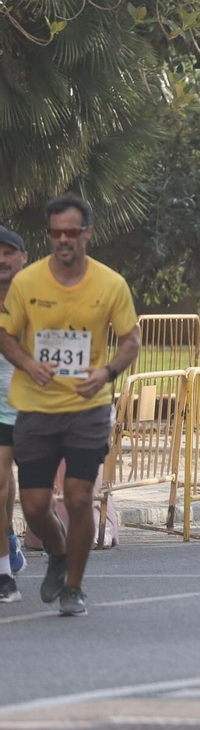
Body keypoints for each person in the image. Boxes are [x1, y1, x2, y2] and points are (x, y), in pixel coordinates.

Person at [0, 196, 140, 614]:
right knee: (37, 506)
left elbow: (131, 340)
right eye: (56, 233)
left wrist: (107, 372)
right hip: (37, 406)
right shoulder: (29, 283)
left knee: (79, 497)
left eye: (71, 232)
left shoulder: (110, 283)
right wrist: (27, 363)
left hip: (87, 405)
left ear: (87, 234)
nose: (63, 240)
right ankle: (57, 553)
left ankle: (74, 586)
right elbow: (5, 334)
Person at [0, 225, 28, 601]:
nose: (2, 260)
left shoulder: (41, 298)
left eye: (8, 252)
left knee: (36, 501)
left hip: (37, 409)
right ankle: (4, 573)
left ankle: (12, 535)